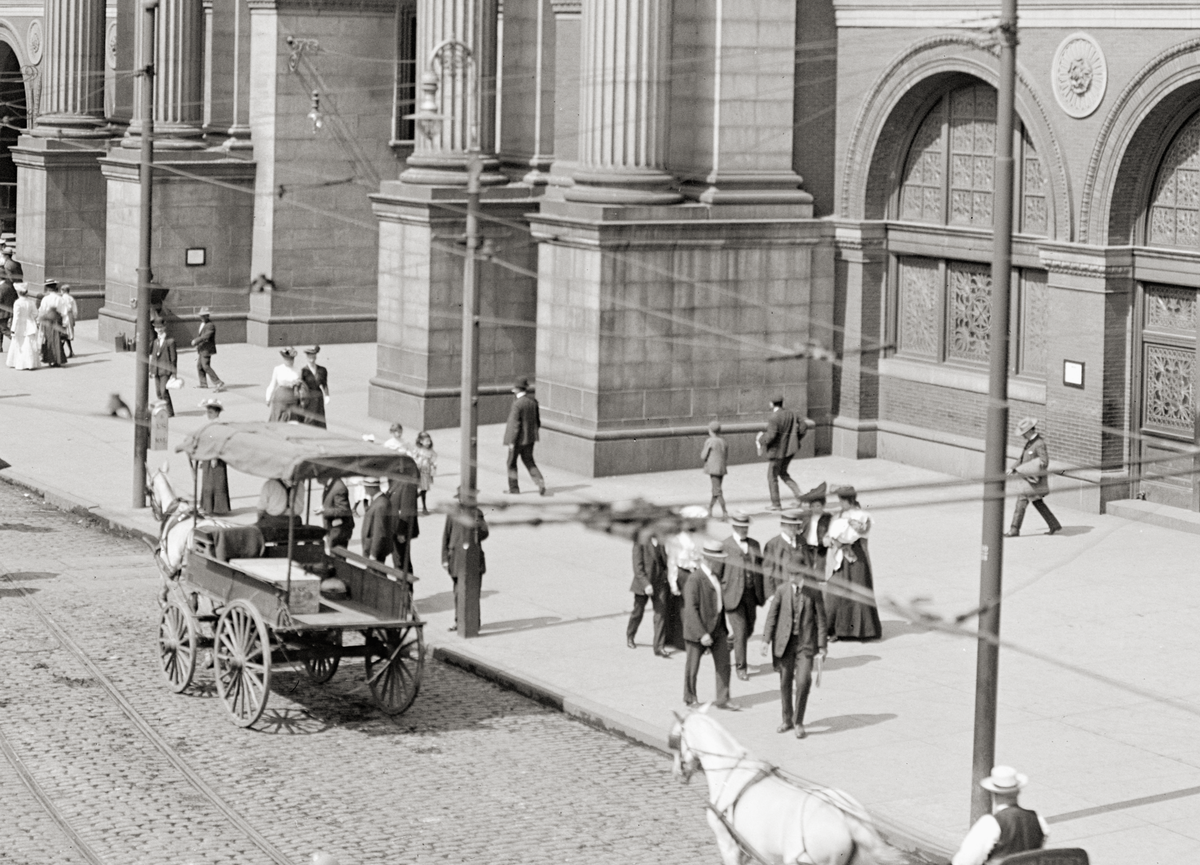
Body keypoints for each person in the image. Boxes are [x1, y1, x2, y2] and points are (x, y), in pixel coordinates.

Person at [763, 551, 827, 738]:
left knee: (803, 681)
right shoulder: (782, 591)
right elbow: (772, 616)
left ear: (803, 573)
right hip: (785, 644)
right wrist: (766, 640)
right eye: (790, 574)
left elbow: (821, 620)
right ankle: (787, 719)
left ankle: (798, 721)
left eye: (796, 574)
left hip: (805, 645)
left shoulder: (813, 592)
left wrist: (822, 646)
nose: (792, 577)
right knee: (785, 682)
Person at [682, 539, 739, 710]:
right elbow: (691, 609)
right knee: (692, 667)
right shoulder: (695, 579)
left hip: (718, 629)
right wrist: (702, 633)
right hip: (698, 631)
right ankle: (690, 698)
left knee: (724, 665)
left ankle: (723, 699)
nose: (721, 563)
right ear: (709, 560)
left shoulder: (716, 577)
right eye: (719, 560)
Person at [952, 766, 1048, 865]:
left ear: (993, 793)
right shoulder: (1038, 819)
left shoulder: (990, 823)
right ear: (1018, 791)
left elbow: (966, 861)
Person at [824, 486, 881, 641]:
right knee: (835, 592)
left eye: (842, 501)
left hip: (856, 557)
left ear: (849, 500)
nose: (841, 504)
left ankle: (863, 630)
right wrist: (831, 540)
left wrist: (842, 535)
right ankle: (834, 629)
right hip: (840, 555)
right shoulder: (839, 515)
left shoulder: (862, 516)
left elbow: (861, 533)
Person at [722, 511, 764, 681]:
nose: (744, 529)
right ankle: (741, 668)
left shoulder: (754, 545)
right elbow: (717, 572)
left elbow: (761, 570)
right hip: (732, 595)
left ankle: (726, 646)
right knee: (740, 631)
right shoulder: (725, 545)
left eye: (746, 527)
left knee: (749, 629)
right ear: (734, 527)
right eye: (740, 527)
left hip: (750, 594)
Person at [1006, 417, 1062, 538]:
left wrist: (1028, 469)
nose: (1022, 435)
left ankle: (1014, 530)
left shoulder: (1039, 444)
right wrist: (1013, 468)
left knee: (1021, 504)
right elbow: (1022, 459)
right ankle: (1054, 524)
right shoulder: (1030, 443)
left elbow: (1044, 462)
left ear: (1029, 431)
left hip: (1033, 480)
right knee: (1037, 502)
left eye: (1024, 433)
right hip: (1028, 480)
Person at [757, 396, 813, 511]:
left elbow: (771, 436)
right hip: (790, 450)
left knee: (772, 477)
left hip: (777, 452)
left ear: (772, 404)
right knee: (783, 473)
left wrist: (761, 438)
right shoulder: (791, 413)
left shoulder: (773, 417)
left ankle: (776, 504)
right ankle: (800, 496)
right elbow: (804, 426)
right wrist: (796, 438)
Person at [441, 497, 489, 631]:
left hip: (473, 559)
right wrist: (444, 559)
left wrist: (476, 531)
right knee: (458, 592)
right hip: (456, 560)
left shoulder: (477, 513)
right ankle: (458, 621)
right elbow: (446, 536)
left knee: (473, 592)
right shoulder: (452, 514)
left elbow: (485, 532)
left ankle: (474, 622)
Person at [664, 505, 707, 652]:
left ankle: (698, 637)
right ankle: (687, 640)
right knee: (687, 608)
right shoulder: (677, 539)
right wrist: (673, 582)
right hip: (683, 574)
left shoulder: (698, 536)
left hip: (697, 573)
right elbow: (672, 561)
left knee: (699, 606)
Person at [627, 531, 671, 656]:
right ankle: (630, 635)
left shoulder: (661, 540)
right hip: (644, 584)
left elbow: (664, 561)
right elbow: (637, 566)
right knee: (638, 612)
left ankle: (659, 647)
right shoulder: (640, 541)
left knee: (660, 614)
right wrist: (646, 584)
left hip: (660, 583)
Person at [503, 377, 546, 495]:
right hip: (529, 439)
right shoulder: (533, 401)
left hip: (517, 440)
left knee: (511, 463)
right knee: (529, 460)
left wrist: (512, 442)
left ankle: (514, 489)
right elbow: (537, 421)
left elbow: (515, 425)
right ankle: (540, 481)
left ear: (517, 389)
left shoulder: (517, 404)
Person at [761, 509, 807, 601]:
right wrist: (771, 594)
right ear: (782, 525)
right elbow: (767, 571)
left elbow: (807, 565)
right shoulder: (773, 544)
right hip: (781, 591)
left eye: (795, 526)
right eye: (790, 526)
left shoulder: (802, 541)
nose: (793, 529)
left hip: (800, 591)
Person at [197, 398, 231, 515]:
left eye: (210, 412)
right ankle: (209, 507)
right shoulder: (211, 424)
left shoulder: (217, 425)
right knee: (208, 481)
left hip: (214, 457)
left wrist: (214, 457)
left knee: (213, 482)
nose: (208, 414)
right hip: (208, 456)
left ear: (217, 413)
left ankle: (215, 508)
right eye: (208, 412)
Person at [388, 457, 421, 575]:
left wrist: (401, 532)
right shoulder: (395, 482)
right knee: (398, 560)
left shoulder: (407, 484)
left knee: (401, 561)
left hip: (400, 530)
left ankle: (406, 585)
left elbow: (407, 509)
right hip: (394, 528)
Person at [798, 483, 832, 585]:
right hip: (807, 546)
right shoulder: (805, 516)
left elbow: (832, 530)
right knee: (807, 568)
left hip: (821, 547)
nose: (815, 508)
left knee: (820, 569)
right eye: (813, 506)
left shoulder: (828, 517)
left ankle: (820, 585)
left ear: (823, 506)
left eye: (818, 506)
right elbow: (798, 527)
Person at [5, 283, 39, 370]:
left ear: (18, 292)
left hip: (20, 324)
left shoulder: (17, 303)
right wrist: (30, 318)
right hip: (29, 323)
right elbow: (35, 313)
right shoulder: (31, 302)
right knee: (28, 343)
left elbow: (16, 317)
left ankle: (18, 362)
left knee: (19, 343)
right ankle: (30, 363)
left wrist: (13, 328)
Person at [318, 476, 355, 555]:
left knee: (337, 558)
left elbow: (343, 510)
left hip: (339, 531)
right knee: (334, 556)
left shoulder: (339, 488)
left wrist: (324, 511)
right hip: (333, 529)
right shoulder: (330, 485)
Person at [191, 307, 225, 392]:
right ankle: (203, 384)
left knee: (205, 366)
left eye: (204, 316)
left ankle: (218, 382)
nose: (201, 317)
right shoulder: (204, 324)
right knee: (199, 366)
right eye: (201, 316)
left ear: (207, 316)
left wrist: (196, 341)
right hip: (202, 348)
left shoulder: (210, 325)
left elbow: (206, 336)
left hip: (207, 349)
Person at [360, 478, 393, 563]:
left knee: (375, 571)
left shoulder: (381, 504)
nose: (365, 490)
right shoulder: (378, 500)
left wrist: (374, 554)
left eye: (366, 487)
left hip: (375, 552)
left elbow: (379, 531)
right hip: (372, 548)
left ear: (372, 488)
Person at [700, 420, 728, 519]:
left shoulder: (710, 441)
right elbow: (726, 455)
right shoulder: (723, 441)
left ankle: (724, 512)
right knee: (716, 490)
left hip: (713, 469)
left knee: (717, 491)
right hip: (721, 469)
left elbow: (703, 456)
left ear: (710, 431)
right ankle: (710, 509)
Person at [149, 319, 177, 417]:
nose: (159, 329)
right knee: (158, 392)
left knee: (163, 391)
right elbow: (153, 357)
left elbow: (173, 358)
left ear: (164, 327)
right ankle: (162, 409)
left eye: (161, 327)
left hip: (165, 370)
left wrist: (174, 373)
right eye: (157, 328)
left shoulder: (170, 341)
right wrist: (151, 370)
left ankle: (170, 411)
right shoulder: (155, 341)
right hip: (156, 370)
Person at [265, 347, 300, 422]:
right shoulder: (278, 369)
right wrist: (268, 398)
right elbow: (272, 384)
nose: (290, 361)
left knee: (291, 420)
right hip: (279, 399)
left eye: (292, 359)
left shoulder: (297, 370)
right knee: (278, 419)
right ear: (284, 359)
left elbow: (301, 386)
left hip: (292, 399)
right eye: (288, 359)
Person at [298, 346, 330, 428]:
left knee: (320, 418)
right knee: (309, 418)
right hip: (308, 397)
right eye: (309, 356)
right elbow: (300, 386)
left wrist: (327, 395)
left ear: (316, 356)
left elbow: (324, 384)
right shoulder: (303, 371)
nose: (311, 358)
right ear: (307, 357)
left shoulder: (322, 370)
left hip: (319, 397)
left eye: (313, 356)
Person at [37, 280, 67, 367]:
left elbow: (42, 311)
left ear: (47, 289)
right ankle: (58, 360)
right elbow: (64, 312)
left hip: (48, 322)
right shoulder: (60, 299)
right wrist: (65, 323)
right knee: (57, 340)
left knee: (48, 340)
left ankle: (50, 360)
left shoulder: (45, 299)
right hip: (57, 320)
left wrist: (39, 321)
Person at [412, 431, 438, 515]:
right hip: (418, 470)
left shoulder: (431, 451)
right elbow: (413, 457)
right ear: (421, 441)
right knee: (416, 488)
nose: (428, 443)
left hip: (426, 471)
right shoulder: (418, 449)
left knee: (424, 489)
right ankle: (414, 505)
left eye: (429, 441)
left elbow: (434, 459)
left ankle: (424, 507)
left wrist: (433, 467)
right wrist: (418, 462)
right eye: (426, 441)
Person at [56, 284, 78, 359]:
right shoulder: (71, 298)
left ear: (63, 291)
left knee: (64, 335)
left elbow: (61, 308)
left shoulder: (62, 298)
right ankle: (69, 351)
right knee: (67, 335)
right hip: (70, 316)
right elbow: (75, 310)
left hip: (65, 317)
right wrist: (74, 319)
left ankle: (60, 351)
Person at [0, 273, 15, 351]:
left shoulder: (1, 288)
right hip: (8, 311)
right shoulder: (10, 286)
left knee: (4, 329)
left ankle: (16, 341)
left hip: (1, 313)